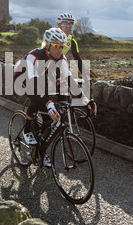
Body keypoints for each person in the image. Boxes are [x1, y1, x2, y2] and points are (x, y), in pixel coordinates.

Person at [14, 27, 97, 167]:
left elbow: (69, 80)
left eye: (62, 46)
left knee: (49, 116)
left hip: (42, 77)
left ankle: (42, 150)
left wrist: (85, 100)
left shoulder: (61, 58)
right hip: (22, 78)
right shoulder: (33, 56)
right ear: (47, 45)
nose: (60, 50)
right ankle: (28, 129)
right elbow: (33, 86)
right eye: (57, 46)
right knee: (38, 99)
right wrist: (47, 103)